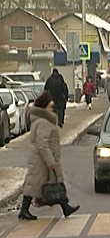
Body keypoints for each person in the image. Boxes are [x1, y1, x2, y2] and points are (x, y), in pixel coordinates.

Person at [19, 91, 80, 220]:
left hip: (42, 158)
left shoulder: (42, 120)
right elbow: (42, 144)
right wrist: (51, 161)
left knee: (44, 183)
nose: (53, 109)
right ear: (45, 107)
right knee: (36, 183)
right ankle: (24, 210)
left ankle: (65, 207)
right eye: (51, 107)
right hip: (42, 160)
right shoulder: (43, 122)